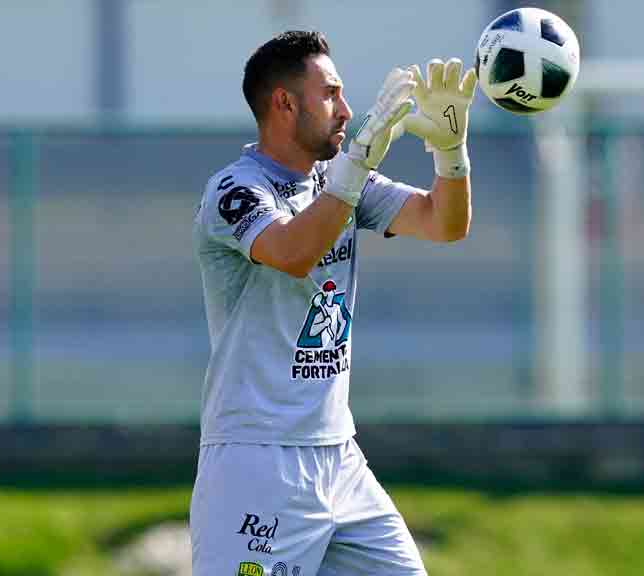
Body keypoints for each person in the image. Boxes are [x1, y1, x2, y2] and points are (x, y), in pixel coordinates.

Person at [190, 30, 477, 576]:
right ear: (284, 103)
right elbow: (292, 251)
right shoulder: (233, 189)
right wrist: (358, 163)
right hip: (256, 460)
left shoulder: (338, 180)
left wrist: (450, 151)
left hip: (340, 458)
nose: (347, 110)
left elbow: (445, 223)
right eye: (331, 94)